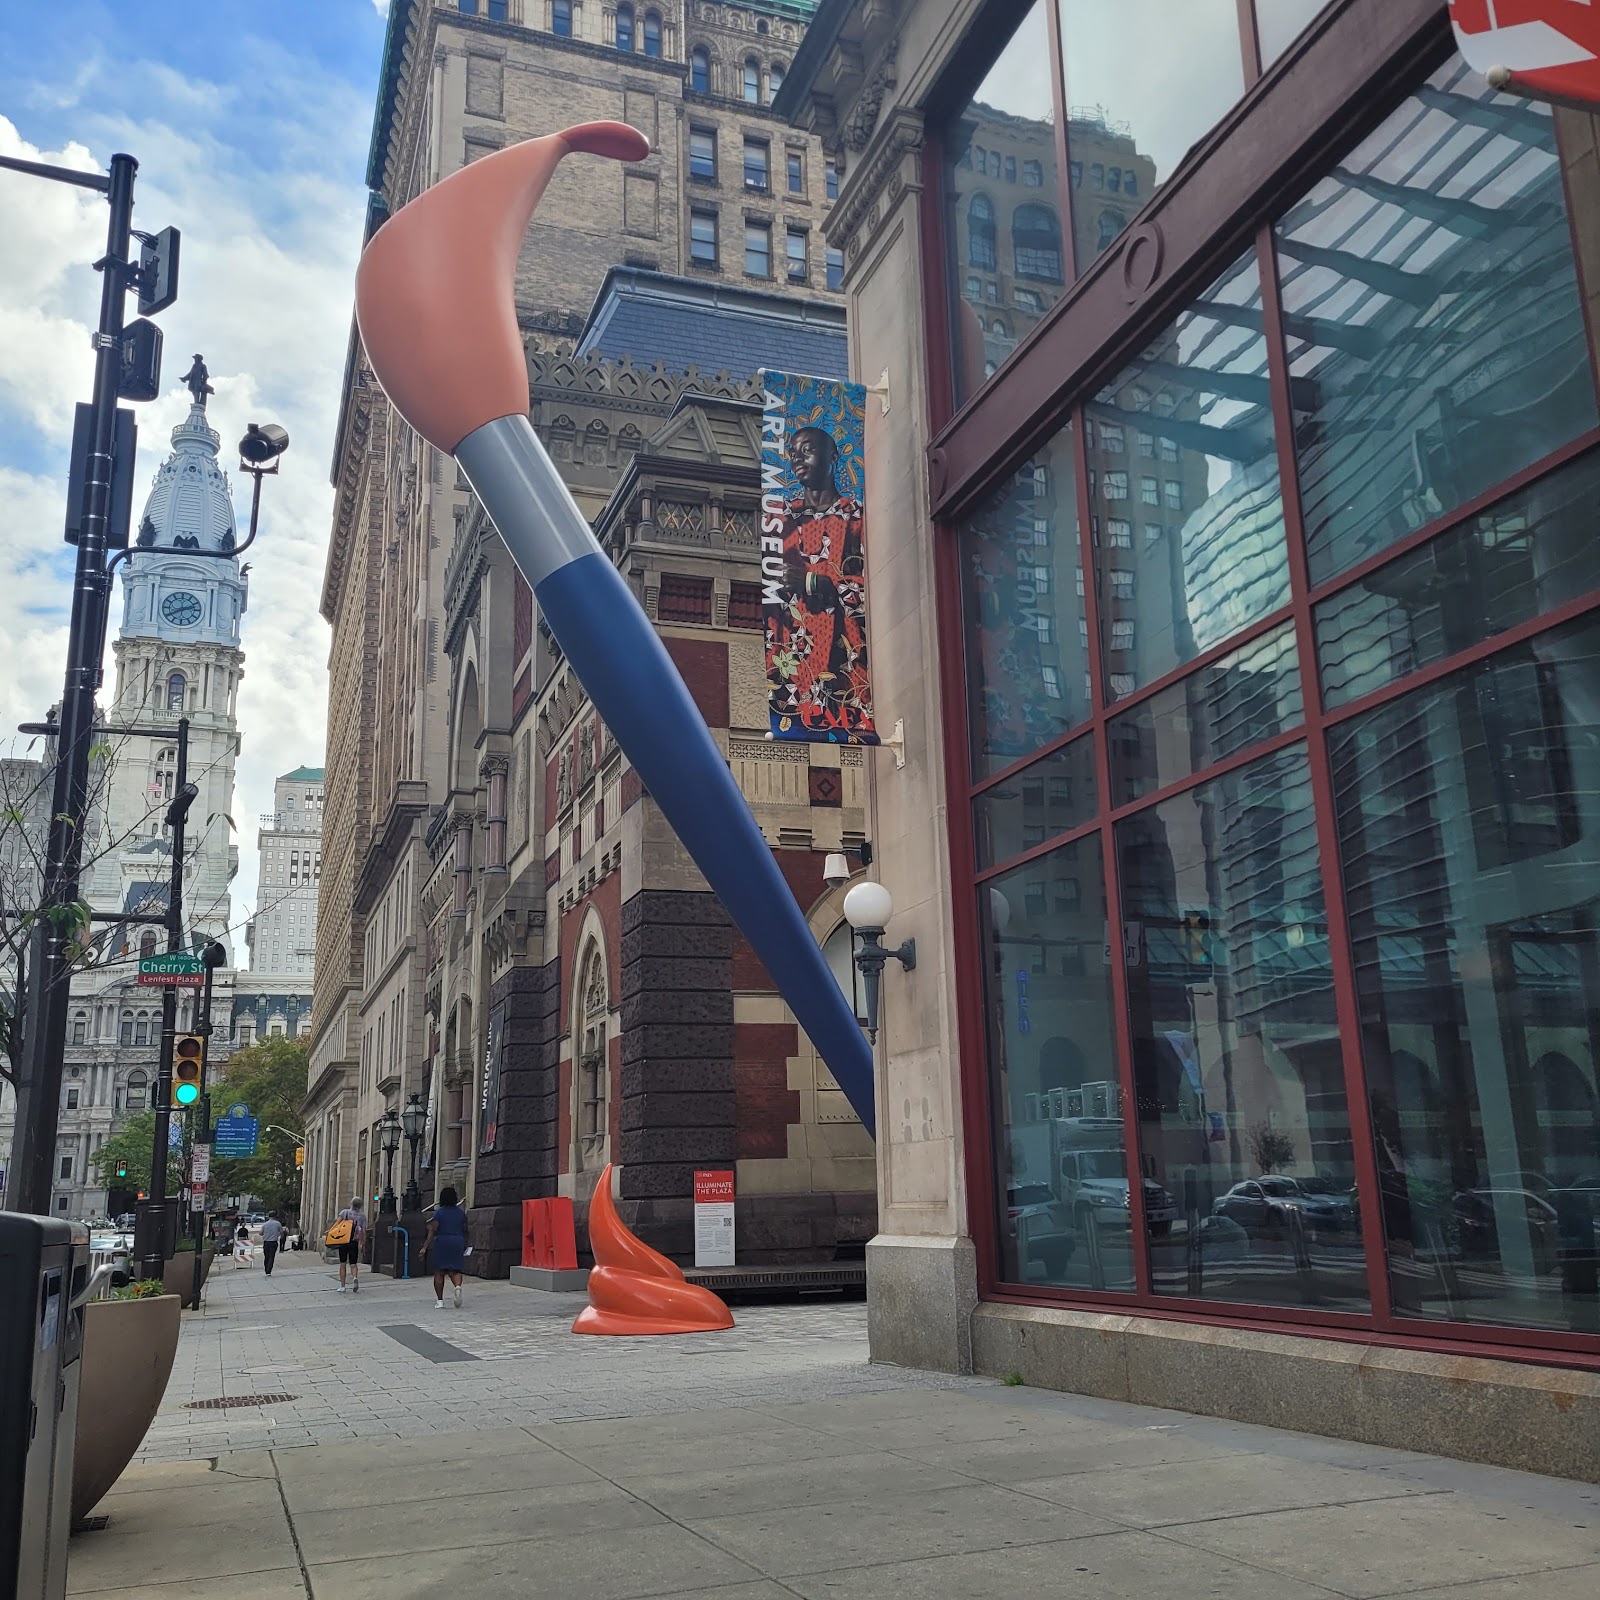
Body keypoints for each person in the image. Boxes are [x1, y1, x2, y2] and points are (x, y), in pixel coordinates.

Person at [767, 425, 873, 739]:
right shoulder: (780, 521)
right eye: (793, 454)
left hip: (844, 660)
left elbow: (878, 585)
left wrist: (815, 582)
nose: (798, 459)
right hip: (793, 661)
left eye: (808, 450)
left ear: (833, 456)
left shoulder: (857, 517)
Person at [423, 1187, 470, 1309]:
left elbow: (433, 1230)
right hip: (457, 1241)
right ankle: (457, 1287)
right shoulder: (461, 1213)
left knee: (439, 1272)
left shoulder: (439, 1213)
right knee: (455, 1270)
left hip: (442, 1241)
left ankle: (440, 1301)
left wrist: (425, 1247)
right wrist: (465, 1244)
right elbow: (466, 1229)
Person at [334, 1197, 367, 1293]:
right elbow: (363, 1232)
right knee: (353, 1264)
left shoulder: (345, 1213)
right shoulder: (362, 1216)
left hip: (343, 1240)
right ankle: (355, 1277)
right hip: (354, 1241)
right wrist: (362, 1244)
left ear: (351, 1204)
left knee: (343, 1263)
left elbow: (337, 1224)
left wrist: (331, 1232)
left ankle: (343, 1286)